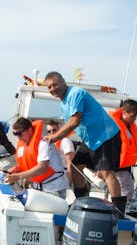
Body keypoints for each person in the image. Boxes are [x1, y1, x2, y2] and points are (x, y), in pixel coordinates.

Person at [43, 71, 126, 215]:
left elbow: (75, 121)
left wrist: (54, 138)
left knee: (107, 172)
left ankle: (118, 211)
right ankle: (81, 203)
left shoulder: (76, 93)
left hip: (105, 135)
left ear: (63, 82)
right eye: (49, 87)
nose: (52, 89)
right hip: (90, 139)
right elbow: (71, 125)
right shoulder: (63, 104)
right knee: (75, 167)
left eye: (55, 84)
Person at [5, 117, 69, 198]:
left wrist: (18, 176)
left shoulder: (43, 143)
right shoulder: (26, 146)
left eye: (20, 134)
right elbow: (31, 164)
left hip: (55, 190)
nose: (19, 138)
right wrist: (16, 170)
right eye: (16, 135)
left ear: (30, 131)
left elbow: (42, 168)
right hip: (40, 189)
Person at [108, 99, 137, 213]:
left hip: (126, 169)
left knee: (126, 195)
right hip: (117, 169)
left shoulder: (129, 127)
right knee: (125, 195)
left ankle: (120, 214)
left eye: (136, 116)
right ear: (124, 112)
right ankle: (120, 216)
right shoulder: (114, 127)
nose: (135, 119)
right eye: (132, 116)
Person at [46, 120, 75, 186]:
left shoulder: (65, 141)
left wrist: (69, 183)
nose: (52, 133)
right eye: (49, 131)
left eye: (54, 130)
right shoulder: (48, 145)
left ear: (59, 130)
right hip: (51, 178)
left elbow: (69, 164)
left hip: (63, 177)